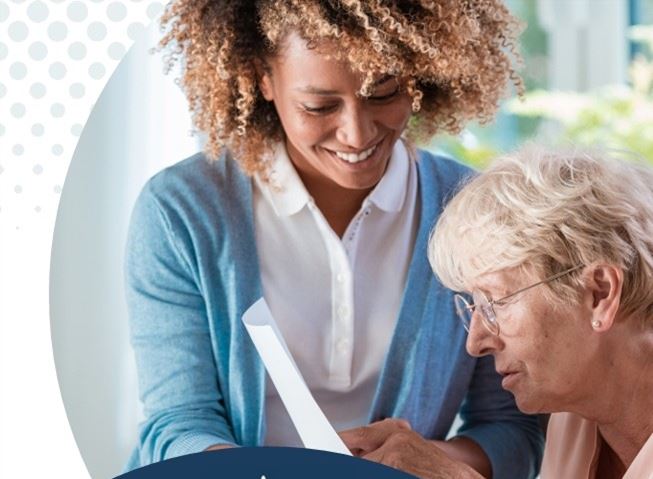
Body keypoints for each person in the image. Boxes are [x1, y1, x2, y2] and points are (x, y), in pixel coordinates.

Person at [124, 1, 543, 477]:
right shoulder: (182, 211)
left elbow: (513, 429)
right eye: (319, 106)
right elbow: (176, 423)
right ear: (263, 78)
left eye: (384, 93)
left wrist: (422, 462)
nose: (357, 133)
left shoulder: (471, 211)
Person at [418, 146, 653, 478]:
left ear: (600, 293)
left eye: (496, 302)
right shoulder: (573, 418)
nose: (475, 344)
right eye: (475, 305)